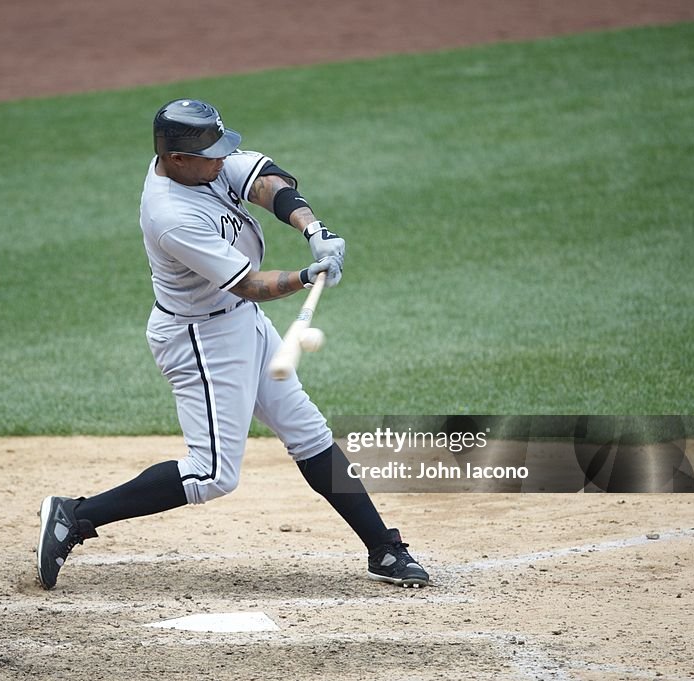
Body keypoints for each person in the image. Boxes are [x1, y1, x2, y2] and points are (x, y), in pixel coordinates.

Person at [36, 99, 429, 590]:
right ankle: (75, 515)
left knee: (307, 431)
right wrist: (308, 274)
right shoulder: (171, 214)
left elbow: (269, 181)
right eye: (211, 154)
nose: (222, 160)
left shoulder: (201, 165)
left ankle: (384, 551)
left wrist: (313, 230)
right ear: (176, 159)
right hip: (200, 336)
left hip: (241, 323)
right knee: (212, 473)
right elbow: (248, 284)